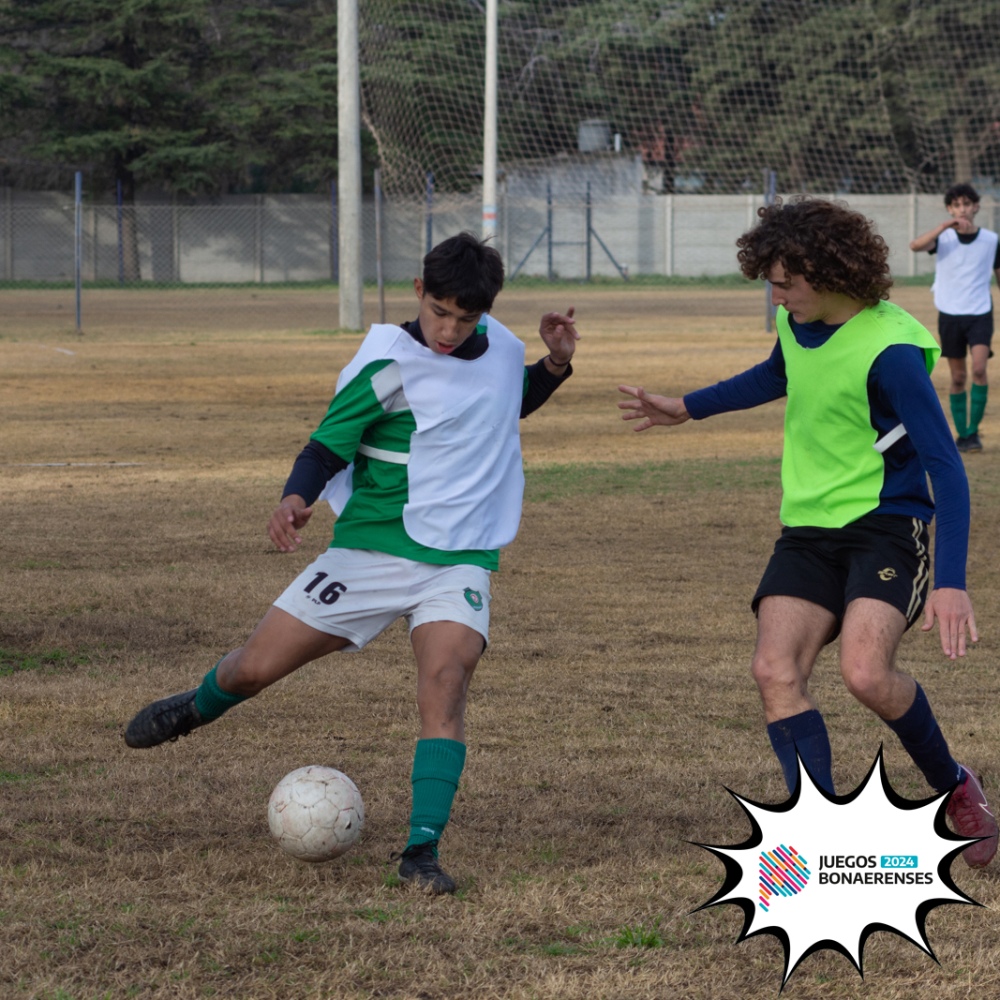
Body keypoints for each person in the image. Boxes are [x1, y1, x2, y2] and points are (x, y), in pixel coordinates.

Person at [124, 232, 580, 893]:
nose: (449, 330)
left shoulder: (505, 348)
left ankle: (420, 854)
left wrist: (555, 366)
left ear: (486, 310)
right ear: (418, 291)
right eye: (439, 312)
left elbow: (501, 403)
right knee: (254, 669)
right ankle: (194, 707)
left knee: (447, 681)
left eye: (465, 318)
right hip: (370, 550)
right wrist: (295, 499)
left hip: (458, 559)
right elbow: (325, 447)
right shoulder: (388, 368)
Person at [619, 197, 997, 868]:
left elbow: (948, 467)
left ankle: (954, 785)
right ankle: (818, 835)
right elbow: (776, 373)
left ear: (827, 273)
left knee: (866, 675)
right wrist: (688, 408)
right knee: (773, 668)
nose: (775, 294)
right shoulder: (799, 325)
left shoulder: (892, 352)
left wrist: (951, 583)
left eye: (785, 281)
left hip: (886, 528)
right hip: (807, 533)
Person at [909, 182, 1000, 453]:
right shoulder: (943, 238)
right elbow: (915, 245)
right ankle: (962, 434)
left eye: (967, 204)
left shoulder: (991, 240)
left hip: (980, 313)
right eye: (956, 205)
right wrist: (944, 227)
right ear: (950, 208)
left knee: (980, 369)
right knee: (958, 377)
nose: (962, 209)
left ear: (976, 207)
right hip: (950, 314)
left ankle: (973, 432)